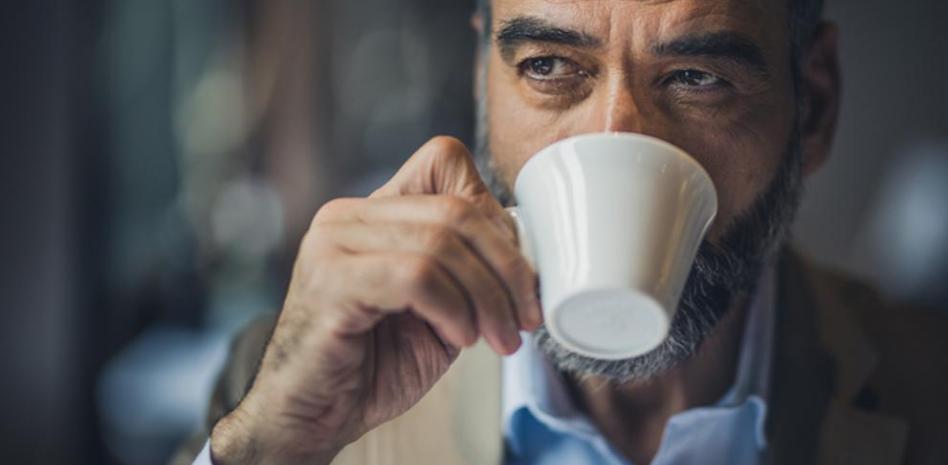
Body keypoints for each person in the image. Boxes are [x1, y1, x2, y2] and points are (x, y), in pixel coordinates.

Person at [177, 1, 948, 464]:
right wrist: (273, 448)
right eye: (548, 65)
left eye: (697, 78)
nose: (610, 137)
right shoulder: (293, 385)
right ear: (485, 71)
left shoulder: (931, 390)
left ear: (812, 106)